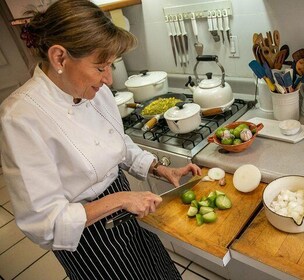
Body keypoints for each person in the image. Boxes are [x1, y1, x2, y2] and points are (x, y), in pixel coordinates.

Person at [0, 0, 202, 279]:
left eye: (111, 65)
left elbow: (119, 145)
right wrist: (119, 200)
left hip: (129, 210)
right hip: (89, 238)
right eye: (100, 67)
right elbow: (43, 223)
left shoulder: (95, 91)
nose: (108, 78)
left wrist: (159, 167)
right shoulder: (20, 117)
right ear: (59, 58)